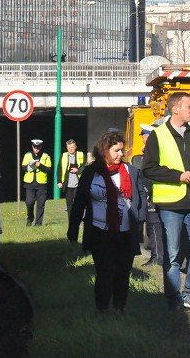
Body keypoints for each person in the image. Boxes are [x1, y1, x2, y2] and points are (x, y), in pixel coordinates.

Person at [142, 92, 190, 311]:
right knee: (171, 254)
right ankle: (173, 298)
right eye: (189, 106)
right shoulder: (158, 135)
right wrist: (178, 176)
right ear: (175, 109)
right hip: (170, 203)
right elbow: (149, 169)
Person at [67, 131, 146, 313]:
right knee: (104, 273)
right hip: (100, 232)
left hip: (125, 232)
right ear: (104, 150)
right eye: (116, 150)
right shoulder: (90, 173)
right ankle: (102, 310)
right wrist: (73, 230)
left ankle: (119, 309)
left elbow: (140, 196)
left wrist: (139, 220)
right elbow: (79, 202)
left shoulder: (130, 171)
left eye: (122, 150)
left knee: (122, 273)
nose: (121, 154)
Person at [132, 124, 163, 267]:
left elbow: (152, 174)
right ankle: (157, 256)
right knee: (153, 227)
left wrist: (149, 193)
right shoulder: (151, 151)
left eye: (144, 135)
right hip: (154, 193)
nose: (143, 138)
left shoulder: (154, 152)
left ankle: (158, 258)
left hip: (155, 194)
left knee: (154, 226)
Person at [21, 138, 52, 226]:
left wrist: (40, 165)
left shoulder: (46, 156)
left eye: (38, 147)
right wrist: (30, 165)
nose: (36, 149)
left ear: (41, 147)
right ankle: (30, 217)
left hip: (41, 184)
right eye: (35, 147)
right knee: (29, 202)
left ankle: (38, 223)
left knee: (41, 204)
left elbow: (49, 169)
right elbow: (23, 168)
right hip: (29, 184)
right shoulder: (27, 155)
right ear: (32, 146)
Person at [59, 139, 86, 214]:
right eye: (69, 147)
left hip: (79, 183)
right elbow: (59, 169)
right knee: (69, 203)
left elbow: (86, 166)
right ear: (67, 148)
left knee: (78, 202)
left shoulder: (81, 155)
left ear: (76, 147)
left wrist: (77, 170)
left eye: (72, 147)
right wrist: (59, 181)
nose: (71, 149)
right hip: (67, 184)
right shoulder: (63, 156)